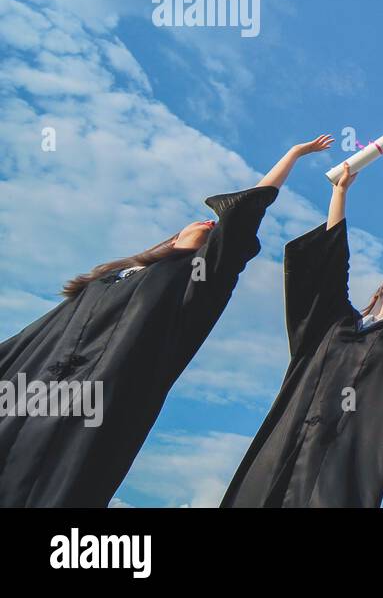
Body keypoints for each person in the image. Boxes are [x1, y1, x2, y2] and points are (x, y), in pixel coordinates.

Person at [0, 134, 333, 507]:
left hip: (107, 396)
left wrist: (293, 154)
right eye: (201, 221)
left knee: (57, 481)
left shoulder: (199, 279)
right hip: (35, 392)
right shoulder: (108, 278)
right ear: (173, 236)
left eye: (215, 228)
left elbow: (242, 216)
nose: (209, 223)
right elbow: (36, 338)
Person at [222, 162, 383, 507]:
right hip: (292, 432)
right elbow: (332, 263)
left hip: (350, 450)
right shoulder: (335, 322)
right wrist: (339, 193)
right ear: (382, 285)